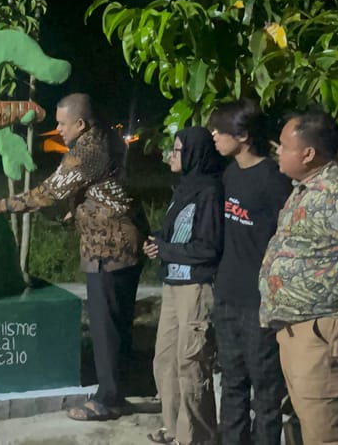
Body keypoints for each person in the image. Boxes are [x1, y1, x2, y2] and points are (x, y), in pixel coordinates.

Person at [0, 92, 147, 421]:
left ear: (81, 124)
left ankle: (108, 399)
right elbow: (104, 189)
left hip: (108, 249)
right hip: (123, 244)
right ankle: (119, 389)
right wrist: (79, 212)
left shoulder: (87, 149)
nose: (58, 129)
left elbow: (49, 191)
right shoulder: (107, 139)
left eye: (62, 123)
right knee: (118, 323)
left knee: (105, 326)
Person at [259, 109, 338, 445]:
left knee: (326, 433)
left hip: (320, 334)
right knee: (306, 427)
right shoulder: (305, 188)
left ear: (308, 153)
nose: (277, 151)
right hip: (296, 332)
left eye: (284, 146)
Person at [210, 99, 291, 445]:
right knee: (231, 383)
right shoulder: (228, 173)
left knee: (266, 390)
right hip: (226, 295)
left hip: (258, 302)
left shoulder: (272, 179)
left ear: (242, 135)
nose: (214, 134)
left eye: (220, 129)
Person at [143, 126, 222, 445]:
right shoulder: (185, 188)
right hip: (174, 284)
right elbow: (178, 235)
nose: (170, 156)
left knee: (191, 364)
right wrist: (159, 243)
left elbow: (208, 248)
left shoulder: (210, 191)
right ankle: (173, 428)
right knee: (165, 358)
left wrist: (167, 249)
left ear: (193, 154)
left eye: (176, 151)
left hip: (196, 286)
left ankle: (195, 437)